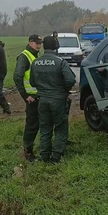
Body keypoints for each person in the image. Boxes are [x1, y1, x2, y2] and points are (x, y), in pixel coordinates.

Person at [31, 35, 76, 163]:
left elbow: (33, 82)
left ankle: (44, 156)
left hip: (42, 100)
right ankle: (56, 156)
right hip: (58, 100)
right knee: (60, 127)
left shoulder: (36, 62)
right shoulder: (60, 62)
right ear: (56, 46)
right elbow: (71, 80)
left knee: (45, 128)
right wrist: (63, 89)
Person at [13, 34, 42, 161]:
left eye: (40, 43)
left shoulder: (34, 55)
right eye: (37, 43)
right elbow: (17, 76)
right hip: (32, 98)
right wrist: (25, 96)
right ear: (30, 42)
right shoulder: (24, 57)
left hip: (39, 96)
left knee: (40, 123)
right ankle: (28, 151)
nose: (39, 46)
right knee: (32, 125)